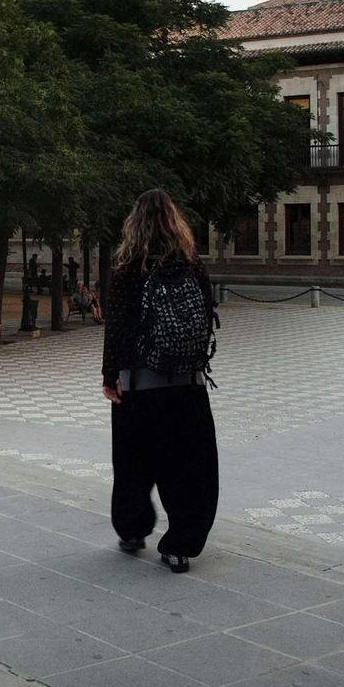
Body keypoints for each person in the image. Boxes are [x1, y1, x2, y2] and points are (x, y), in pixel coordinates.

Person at [100, 189, 220, 574]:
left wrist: (109, 377)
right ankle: (180, 546)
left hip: (139, 386)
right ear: (175, 221)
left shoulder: (127, 268)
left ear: (135, 224)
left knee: (133, 465)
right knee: (188, 468)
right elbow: (207, 317)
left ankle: (133, 530)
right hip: (187, 384)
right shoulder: (191, 264)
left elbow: (116, 329)